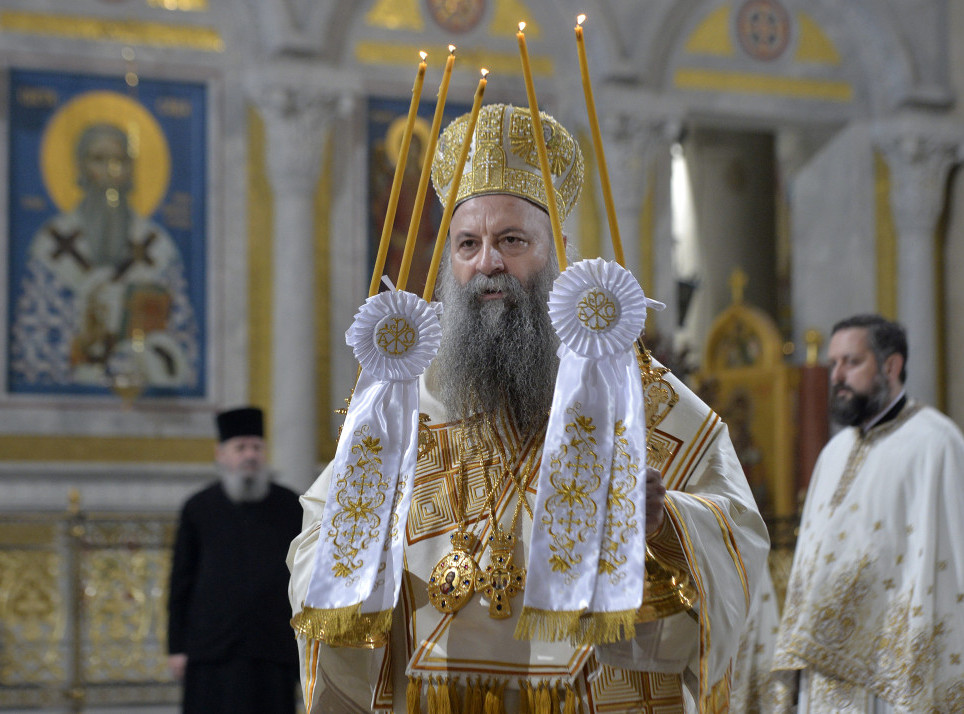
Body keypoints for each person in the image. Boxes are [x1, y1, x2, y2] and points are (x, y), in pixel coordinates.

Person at [287, 103, 770, 713]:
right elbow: (317, 543)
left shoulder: (640, 399)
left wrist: (665, 525)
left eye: (512, 240)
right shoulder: (401, 402)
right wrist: (363, 546)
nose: (488, 262)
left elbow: (738, 537)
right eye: (468, 243)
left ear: (558, 251)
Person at [771, 315, 964, 712]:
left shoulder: (936, 444)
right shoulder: (834, 452)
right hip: (822, 675)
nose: (837, 375)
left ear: (891, 366)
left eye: (852, 362)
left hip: (891, 672)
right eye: (834, 364)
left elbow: (951, 561)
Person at [10, 122, 198, 390]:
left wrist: (142, 354)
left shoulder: (158, 249)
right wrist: (79, 345)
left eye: (119, 160)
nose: (110, 171)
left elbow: (183, 343)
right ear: (81, 167)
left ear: (130, 169)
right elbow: (30, 344)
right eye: (98, 159)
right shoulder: (50, 246)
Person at [167, 406, 303, 714]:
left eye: (256, 447)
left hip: (273, 646)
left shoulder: (291, 506)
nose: (250, 455)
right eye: (240, 447)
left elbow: (306, 575)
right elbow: (180, 582)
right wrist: (176, 647)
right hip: (212, 649)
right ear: (221, 454)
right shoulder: (198, 508)